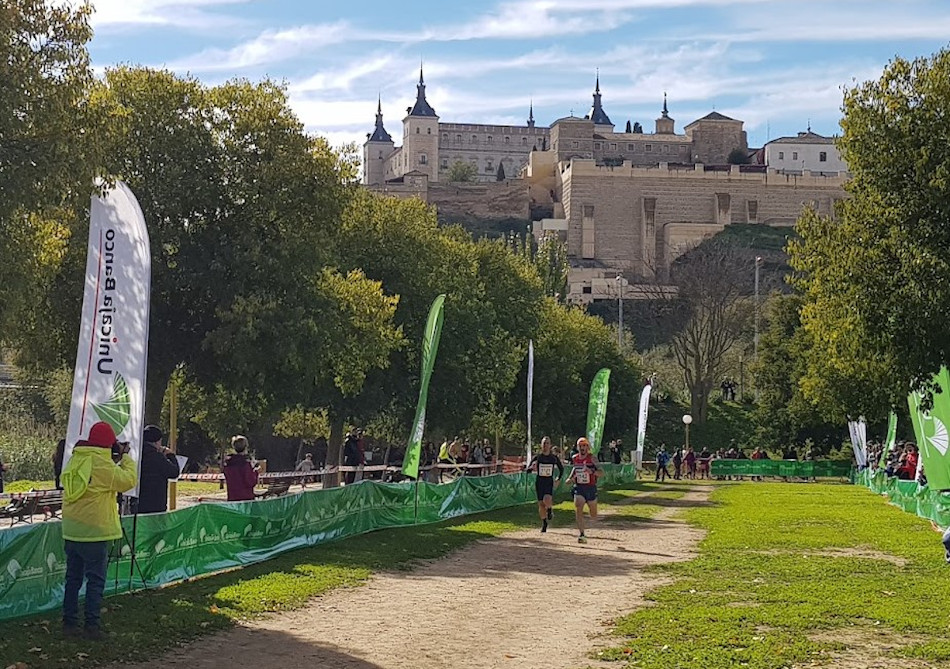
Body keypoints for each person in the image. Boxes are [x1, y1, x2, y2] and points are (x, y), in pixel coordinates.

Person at [61, 421, 137, 640]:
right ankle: (91, 627)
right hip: (94, 532)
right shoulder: (102, 465)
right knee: (95, 581)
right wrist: (125, 458)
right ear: (108, 444)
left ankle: (69, 624)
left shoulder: (77, 458)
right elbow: (127, 481)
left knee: (73, 579)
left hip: (72, 530)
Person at [136, 425, 180, 514]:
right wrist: (170, 456)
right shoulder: (157, 457)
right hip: (156, 503)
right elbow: (174, 472)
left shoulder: (136, 454)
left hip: (138, 503)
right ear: (157, 442)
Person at [528, 436, 564, 533]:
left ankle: (550, 510)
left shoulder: (553, 458)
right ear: (541, 445)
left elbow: (561, 469)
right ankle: (544, 523)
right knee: (540, 504)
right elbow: (528, 470)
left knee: (546, 499)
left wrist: (558, 479)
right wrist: (532, 468)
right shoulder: (537, 457)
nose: (545, 445)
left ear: (550, 445)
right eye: (544, 443)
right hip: (539, 482)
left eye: (547, 443)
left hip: (548, 481)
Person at [569, 437, 600, 544]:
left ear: (588, 447)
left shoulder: (593, 458)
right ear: (578, 447)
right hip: (579, 487)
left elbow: (601, 472)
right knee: (578, 505)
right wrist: (570, 478)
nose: (582, 448)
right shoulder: (575, 458)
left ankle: (593, 512)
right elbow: (575, 468)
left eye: (584, 446)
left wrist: (591, 471)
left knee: (593, 514)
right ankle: (582, 534)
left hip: (591, 488)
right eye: (580, 446)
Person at [223, 435, 259, 501]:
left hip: (232, 498)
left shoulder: (228, 464)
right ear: (246, 447)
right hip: (246, 498)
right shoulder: (245, 464)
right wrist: (255, 472)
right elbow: (251, 482)